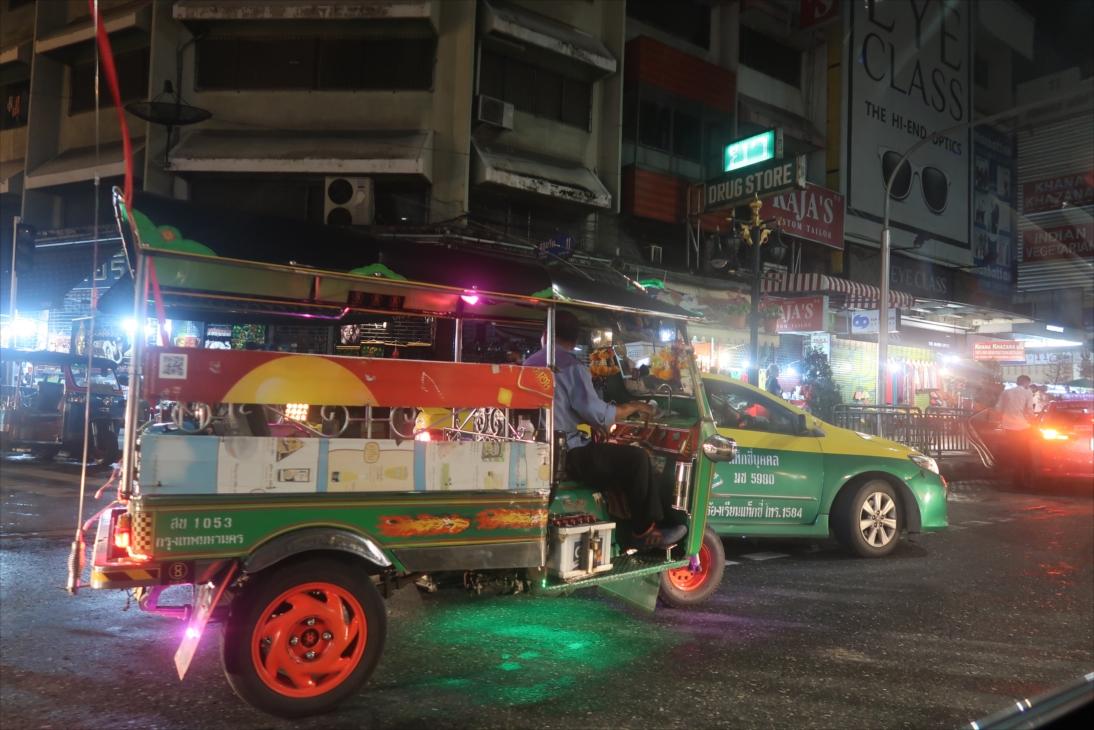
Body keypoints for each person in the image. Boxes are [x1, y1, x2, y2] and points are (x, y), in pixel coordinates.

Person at [525, 310, 686, 550]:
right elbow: (598, 413)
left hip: (538, 449)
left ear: (545, 335)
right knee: (638, 459)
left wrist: (594, 424)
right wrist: (634, 406)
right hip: (566, 454)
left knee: (610, 454)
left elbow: (564, 407)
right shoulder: (571, 366)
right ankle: (644, 531)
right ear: (575, 338)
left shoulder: (528, 363)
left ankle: (620, 525)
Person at [993, 374, 1034, 490]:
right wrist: (1033, 420)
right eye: (1028, 383)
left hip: (1008, 426)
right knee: (1024, 454)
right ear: (1026, 383)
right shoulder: (1028, 392)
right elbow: (1029, 409)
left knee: (1013, 452)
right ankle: (1021, 481)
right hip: (1022, 426)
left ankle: (1012, 480)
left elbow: (998, 409)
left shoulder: (1006, 392)